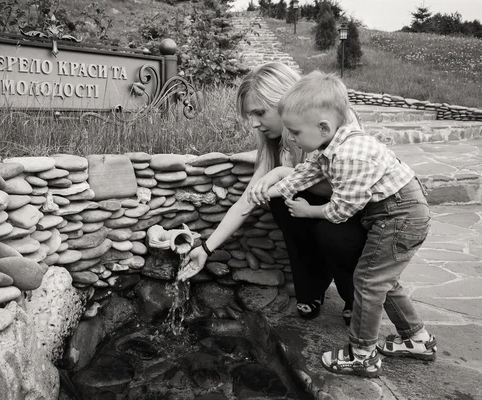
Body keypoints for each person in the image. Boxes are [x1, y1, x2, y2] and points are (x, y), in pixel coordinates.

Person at [248, 70, 437, 377]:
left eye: (295, 132)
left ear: (322, 126)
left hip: (400, 216)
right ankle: (418, 339)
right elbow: (302, 176)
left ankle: (362, 354)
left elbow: (341, 209)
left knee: (368, 281)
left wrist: (309, 211)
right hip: (393, 215)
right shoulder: (328, 145)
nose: (291, 138)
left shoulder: (350, 154)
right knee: (384, 281)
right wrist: (266, 192)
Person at [177, 62, 367, 325]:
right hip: (312, 209)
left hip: (349, 209)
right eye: (250, 115)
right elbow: (249, 199)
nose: (254, 124)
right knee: (280, 201)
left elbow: (346, 187)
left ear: (284, 101)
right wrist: (206, 249)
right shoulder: (275, 142)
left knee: (330, 233)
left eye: (259, 113)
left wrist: (280, 175)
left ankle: (354, 296)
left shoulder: (334, 123)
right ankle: (312, 290)